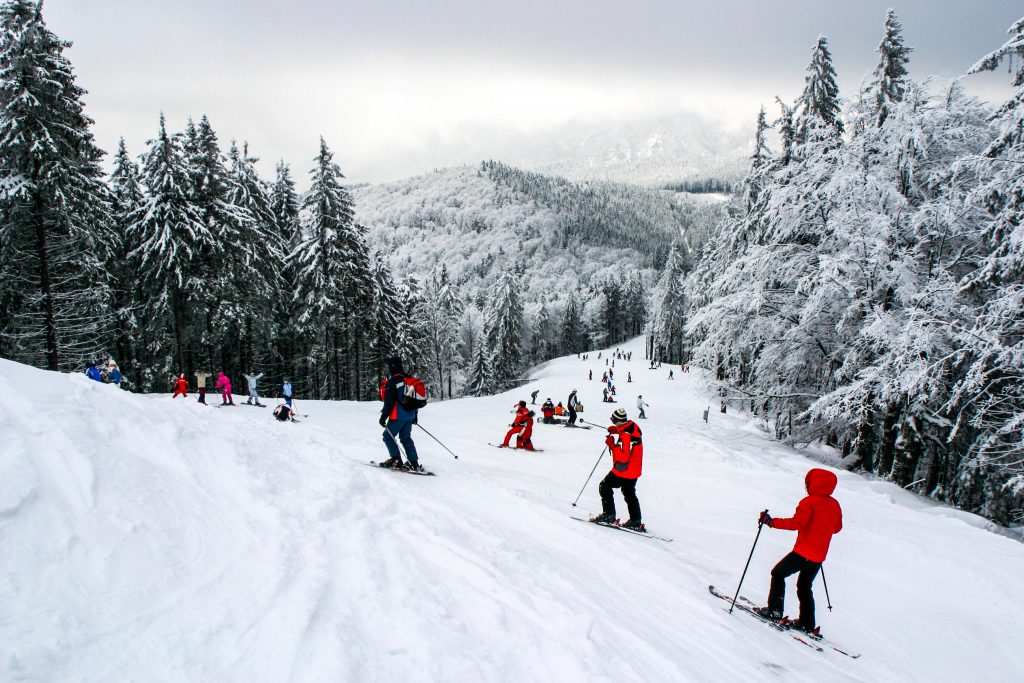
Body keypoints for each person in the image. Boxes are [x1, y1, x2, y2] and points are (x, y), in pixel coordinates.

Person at [754, 469, 843, 635]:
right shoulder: (834, 504)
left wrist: (771, 522)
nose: (806, 486)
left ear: (814, 483)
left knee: (778, 574)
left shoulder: (808, 502)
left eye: (807, 483)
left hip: (803, 552)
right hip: (818, 556)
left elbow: (796, 523)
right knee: (804, 586)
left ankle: (774, 611)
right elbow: (837, 528)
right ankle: (807, 623)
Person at [590, 408, 644, 530]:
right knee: (629, 492)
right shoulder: (632, 427)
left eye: (613, 420)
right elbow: (629, 440)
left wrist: (612, 445)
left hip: (624, 469)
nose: (613, 422)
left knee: (604, 486)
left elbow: (623, 457)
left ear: (618, 420)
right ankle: (636, 520)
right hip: (634, 469)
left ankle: (609, 515)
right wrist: (618, 430)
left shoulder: (625, 435)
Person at [379, 356, 422, 471]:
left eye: (389, 366)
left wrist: (383, 417)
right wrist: (415, 416)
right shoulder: (408, 379)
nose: (388, 368)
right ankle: (414, 462)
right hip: (410, 414)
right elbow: (413, 399)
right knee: (405, 438)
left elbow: (389, 402)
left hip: (398, 415)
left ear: (393, 367)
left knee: (387, 436)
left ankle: (396, 459)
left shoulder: (393, 381)